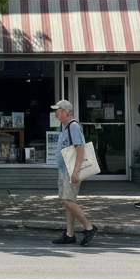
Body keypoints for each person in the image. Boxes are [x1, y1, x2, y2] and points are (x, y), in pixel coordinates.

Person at [51, 100, 98, 246]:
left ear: (67, 112)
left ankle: (89, 228)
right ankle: (69, 234)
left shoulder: (73, 126)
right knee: (68, 201)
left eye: (58, 110)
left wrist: (76, 171)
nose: (56, 113)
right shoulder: (64, 127)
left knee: (68, 200)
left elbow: (80, 148)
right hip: (65, 170)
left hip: (70, 170)